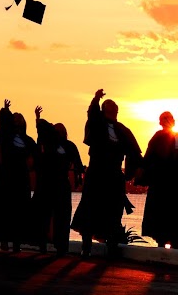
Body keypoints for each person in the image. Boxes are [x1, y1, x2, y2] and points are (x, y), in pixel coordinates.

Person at [70, 89, 143, 259]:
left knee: (113, 211)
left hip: (114, 176)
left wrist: (133, 172)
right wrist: (95, 99)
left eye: (114, 109)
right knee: (90, 209)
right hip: (96, 173)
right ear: (104, 111)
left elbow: (134, 152)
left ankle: (112, 245)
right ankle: (86, 245)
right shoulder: (97, 124)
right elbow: (92, 114)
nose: (113, 112)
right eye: (110, 109)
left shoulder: (122, 130)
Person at [140, 111, 178, 250]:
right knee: (161, 220)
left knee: (177, 222)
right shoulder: (157, 138)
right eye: (166, 119)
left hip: (177, 187)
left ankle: (175, 249)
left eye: (170, 118)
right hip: (161, 185)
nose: (169, 121)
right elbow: (148, 159)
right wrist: (142, 176)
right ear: (161, 122)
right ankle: (163, 248)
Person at [33, 106, 84, 256]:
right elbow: (40, 132)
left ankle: (61, 246)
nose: (59, 132)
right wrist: (37, 118)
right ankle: (42, 243)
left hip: (62, 184)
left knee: (63, 215)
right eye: (56, 130)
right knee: (45, 215)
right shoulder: (47, 144)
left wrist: (79, 177)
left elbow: (77, 162)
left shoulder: (69, 146)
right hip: (47, 183)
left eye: (61, 130)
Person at [0, 100, 36, 253]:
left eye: (20, 117)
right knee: (4, 211)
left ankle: (17, 244)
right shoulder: (4, 134)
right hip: (6, 177)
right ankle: (4, 243)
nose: (17, 119)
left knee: (20, 212)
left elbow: (34, 156)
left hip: (21, 179)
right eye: (14, 117)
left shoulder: (27, 140)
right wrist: (5, 110)